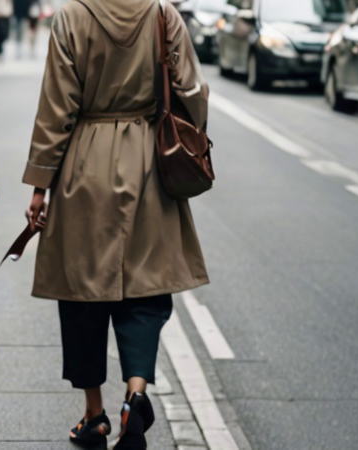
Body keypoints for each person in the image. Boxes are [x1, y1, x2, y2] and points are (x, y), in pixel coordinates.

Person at [22, 0, 209, 448]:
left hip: (84, 165)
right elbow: (193, 92)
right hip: (148, 163)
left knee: (82, 292)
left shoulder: (71, 16)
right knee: (145, 289)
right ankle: (136, 394)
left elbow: (56, 106)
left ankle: (94, 416)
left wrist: (39, 184)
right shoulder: (163, 13)